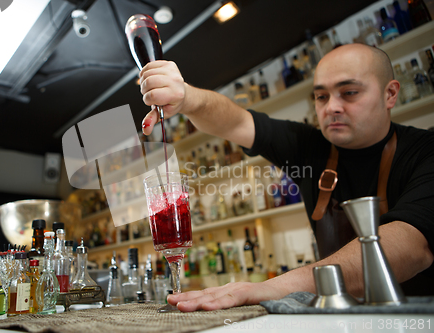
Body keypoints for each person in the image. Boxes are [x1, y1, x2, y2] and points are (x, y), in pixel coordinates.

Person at [138, 43, 434, 312]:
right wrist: (188, 98)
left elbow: (410, 245)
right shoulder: (310, 148)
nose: (331, 106)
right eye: (321, 96)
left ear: (390, 94)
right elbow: (237, 121)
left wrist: (275, 286)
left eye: (349, 92)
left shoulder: (426, 151)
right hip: (338, 318)